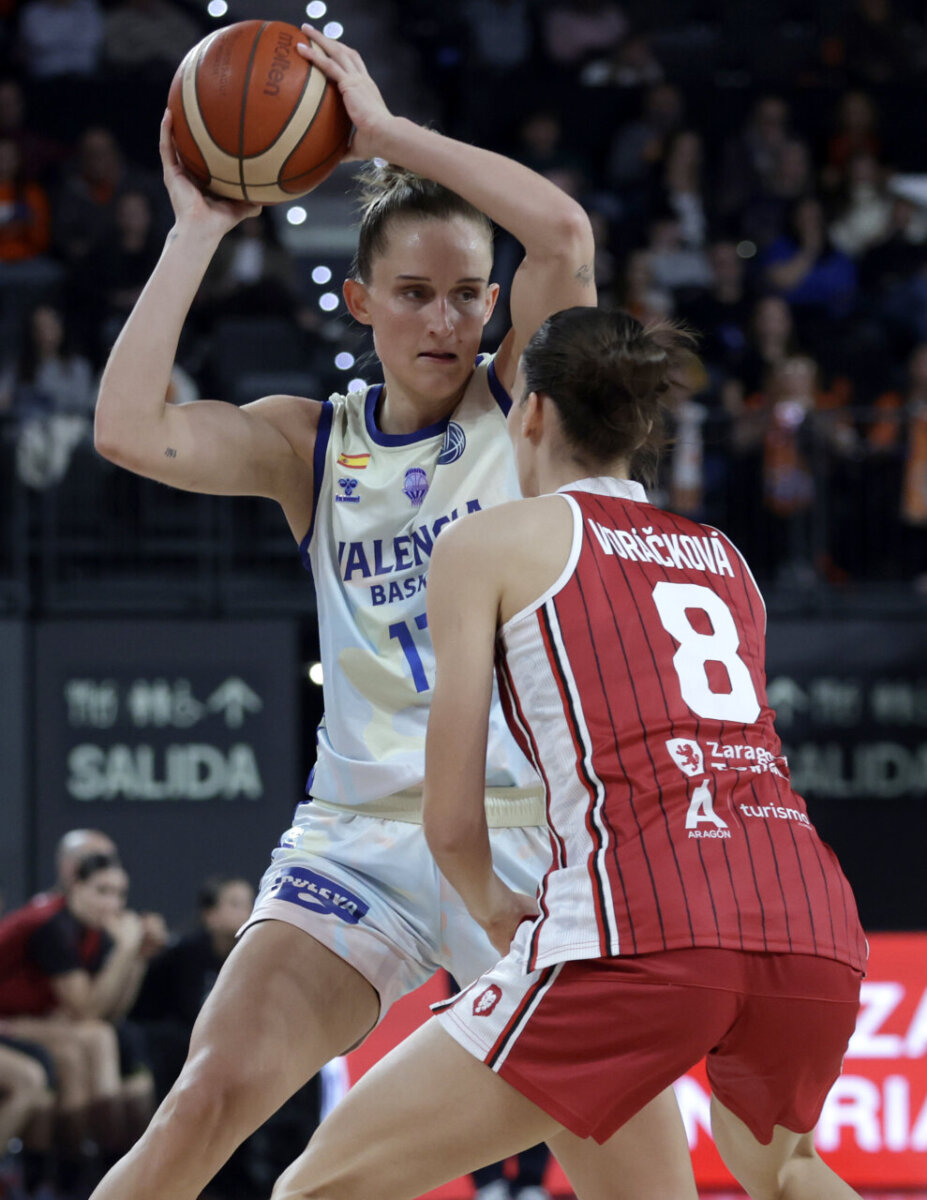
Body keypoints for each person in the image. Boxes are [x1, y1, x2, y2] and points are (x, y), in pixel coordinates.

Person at [87, 24, 693, 1200]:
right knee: (203, 1099)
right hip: (361, 838)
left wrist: (383, 133)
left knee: (643, 1191)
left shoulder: (526, 409)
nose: (445, 322)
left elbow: (564, 236)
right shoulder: (310, 443)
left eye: (467, 296)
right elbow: (126, 429)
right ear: (360, 300)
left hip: (539, 844)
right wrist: (196, 229)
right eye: (414, 295)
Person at [269, 307, 868, 1200]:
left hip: (643, 926)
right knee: (785, 1171)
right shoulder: (724, 557)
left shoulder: (489, 542)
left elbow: (450, 819)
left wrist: (491, 907)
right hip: (811, 922)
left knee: (317, 1188)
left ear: (534, 411)